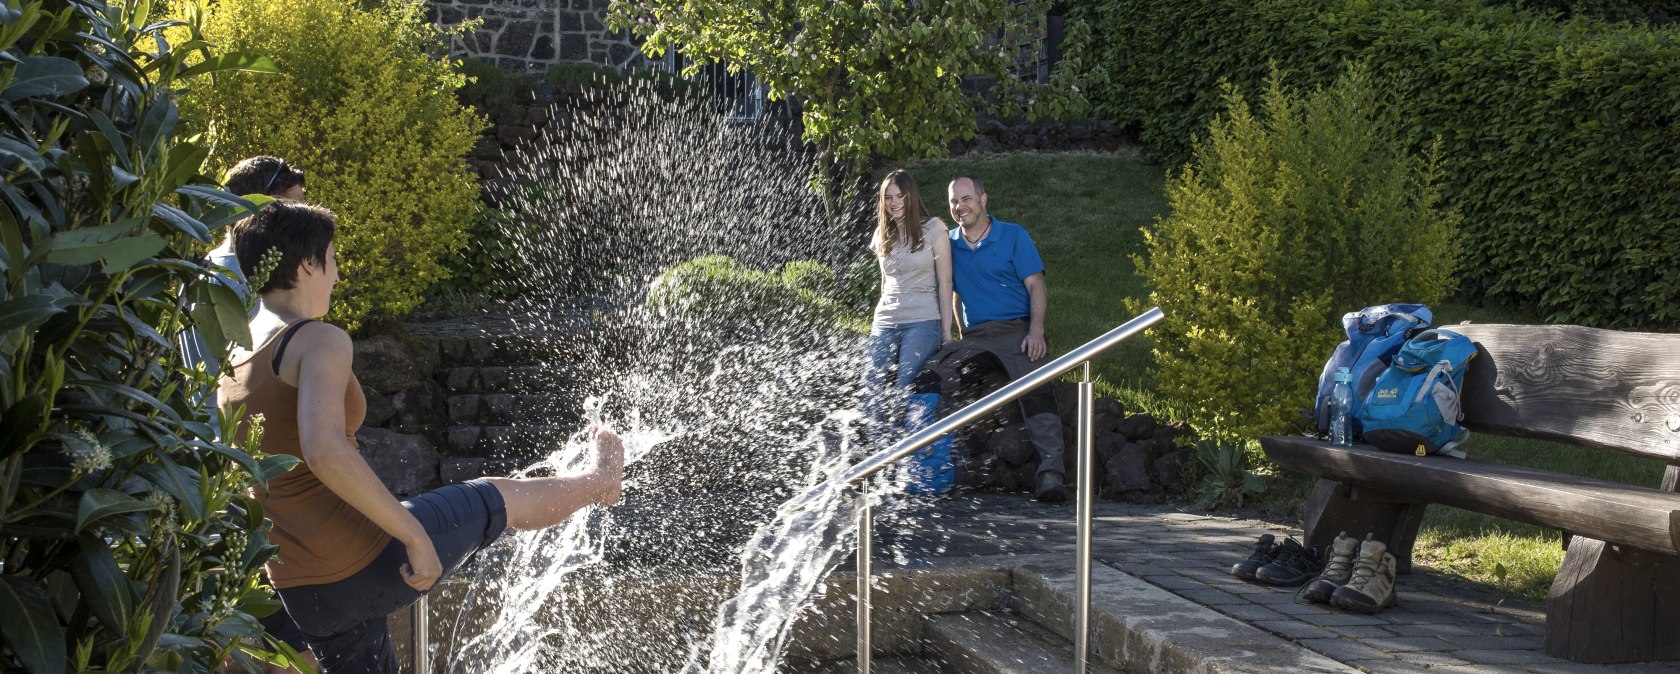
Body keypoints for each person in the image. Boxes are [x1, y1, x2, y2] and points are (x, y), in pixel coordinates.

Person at [218, 201, 625, 673]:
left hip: (302, 590)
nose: (336, 275)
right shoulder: (316, 339)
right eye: (332, 259)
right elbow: (324, 450)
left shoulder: (235, 354)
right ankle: (599, 481)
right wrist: (413, 535)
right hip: (362, 559)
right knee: (495, 496)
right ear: (308, 263)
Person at [945, 175, 1067, 502]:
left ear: (984, 199)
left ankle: (1051, 472)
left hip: (1016, 330)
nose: (960, 207)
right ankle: (948, 470)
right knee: (936, 376)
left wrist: (1036, 330)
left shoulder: (1013, 236)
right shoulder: (949, 244)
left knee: (1038, 382)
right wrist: (959, 334)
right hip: (974, 338)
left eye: (966, 199)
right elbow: (954, 295)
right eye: (954, 201)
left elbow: (1036, 286)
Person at [863, 170, 953, 430]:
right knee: (870, 386)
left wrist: (946, 333)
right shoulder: (882, 233)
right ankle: (875, 450)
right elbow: (884, 282)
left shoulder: (934, 228)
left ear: (911, 196)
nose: (894, 203)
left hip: (922, 319)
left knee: (905, 385)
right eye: (888, 198)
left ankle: (904, 448)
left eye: (900, 196)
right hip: (886, 320)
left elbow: (945, 282)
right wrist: (876, 326)